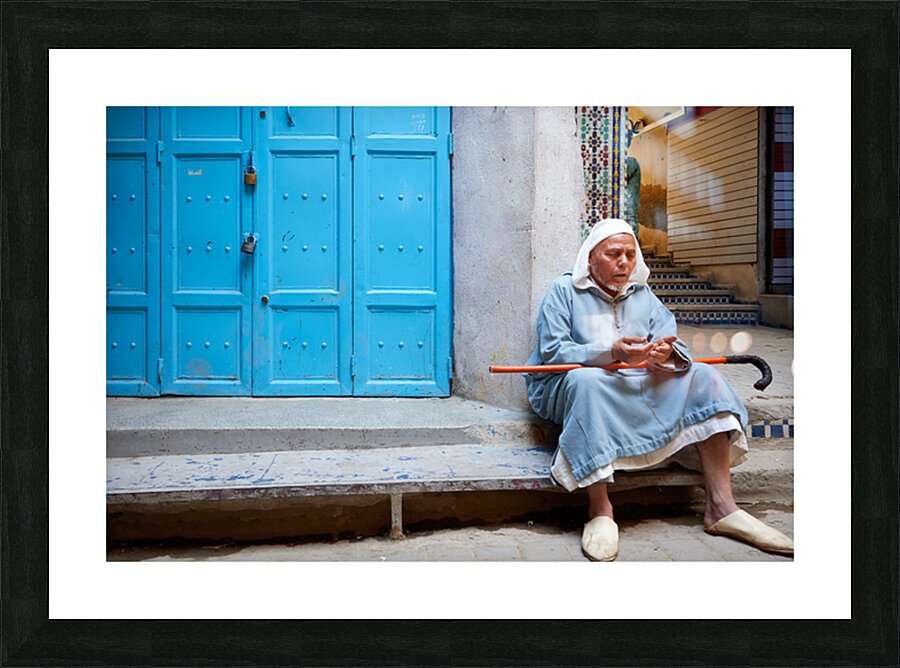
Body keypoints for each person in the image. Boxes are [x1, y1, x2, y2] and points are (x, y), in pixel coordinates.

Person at [524, 218, 793, 561]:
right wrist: (611, 352)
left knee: (704, 376)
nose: (623, 262)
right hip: (578, 385)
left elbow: (671, 339)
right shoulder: (563, 291)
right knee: (586, 381)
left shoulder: (643, 294)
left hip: (636, 381)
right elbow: (554, 351)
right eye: (613, 254)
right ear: (590, 258)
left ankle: (721, 507)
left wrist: (667, 352)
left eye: (629, 254)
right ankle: (600, 509)